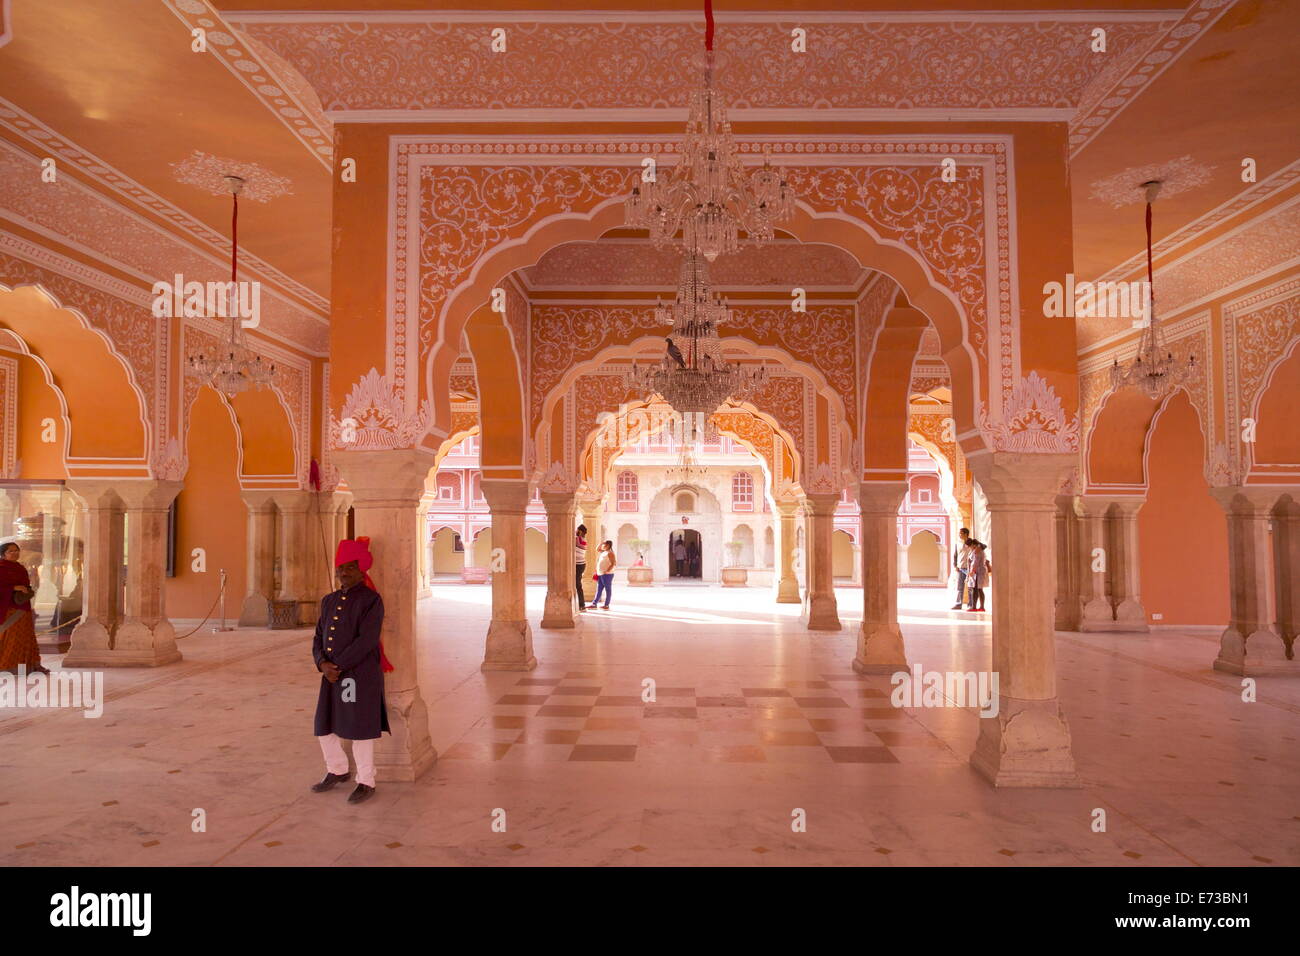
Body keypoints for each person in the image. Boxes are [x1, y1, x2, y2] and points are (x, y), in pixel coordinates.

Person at [311, 536, 392, 805]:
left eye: (350, 567)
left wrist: (339, 667)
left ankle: (366, 780)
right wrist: (322, 663)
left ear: (361, 570)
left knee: (358, 728)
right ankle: (337, 770)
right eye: (340, 567)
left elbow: (367, 640)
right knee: (325, 725)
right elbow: (318, 635)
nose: (344, 572)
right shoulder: (329, 600)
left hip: (356, 677)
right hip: (331, 675)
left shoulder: (371, 600)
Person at [0, 540, 48, 674]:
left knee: (25, 637)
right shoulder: (1, 567)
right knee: (11, 638)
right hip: (8, 608)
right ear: (3, 554)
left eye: (17, 551)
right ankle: (6, 666)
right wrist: (13, 587)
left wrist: (27, 590)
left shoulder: (20, 567)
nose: (15, 553)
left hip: (23, 607)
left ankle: (28, 666)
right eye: (11, 551)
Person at [589, 540, 616, 610]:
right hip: (600, 574)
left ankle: (606, 605)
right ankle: (594, 604)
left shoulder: (610, 553)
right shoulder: (604, 552)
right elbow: (597, 549)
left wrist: (607, 571)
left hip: (607, 575)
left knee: (608, 589)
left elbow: (614, 563)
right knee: (599, 589)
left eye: (604, 545)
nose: (603, 546)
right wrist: (601, 543)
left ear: (608, 545)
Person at [949, 527, 971, 610]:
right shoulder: (958, 543)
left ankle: (971, 605)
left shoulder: (971, 542)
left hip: (969, 569)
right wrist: (955, 566)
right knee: (959, 587)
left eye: (961, 533)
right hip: (960, 568)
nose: (959, 535)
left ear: (966, 534)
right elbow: (955, 555)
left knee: (970, 587)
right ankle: (958, 604)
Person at [966, 540, 990, 612]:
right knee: (978, 589)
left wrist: (972, 571)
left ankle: (975, 607)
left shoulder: (977, 550)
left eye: (970, 546)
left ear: (973, 544)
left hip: (978, 572)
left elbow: (975, 562)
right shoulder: (978, 550)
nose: (969, 547)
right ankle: (979, 606)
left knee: (977, 589)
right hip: (978, 572)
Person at [574, 524, 588, 612]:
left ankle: (582, 605)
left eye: (577, 530)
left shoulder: (577, 539)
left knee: (578, 585)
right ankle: (580, 605)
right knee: (578, 585)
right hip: (581, 564)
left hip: (578, 565)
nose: (576, 531)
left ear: (580, 531)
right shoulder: (584, 540)